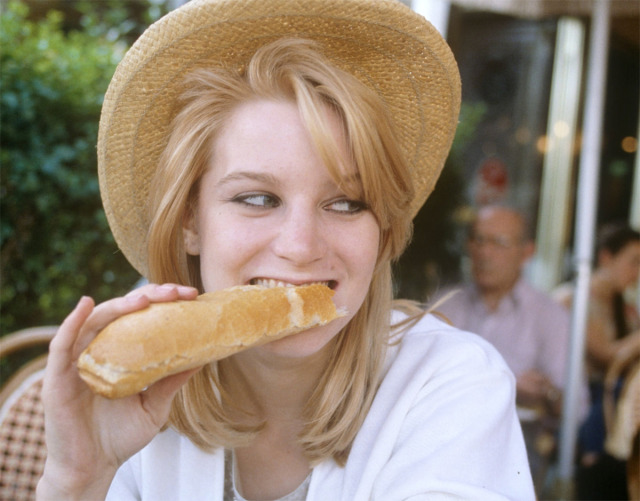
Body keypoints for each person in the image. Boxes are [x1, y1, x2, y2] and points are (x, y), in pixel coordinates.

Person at [36, 1, 535, 499]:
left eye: (345, 203)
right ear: (190, 221)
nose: (300, 246)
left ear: (383, 229)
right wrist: (78, 480)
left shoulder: (453, 387)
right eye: (257, 199)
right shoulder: (137, 398)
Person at [434, 205, 582, 492]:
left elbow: (576, 408)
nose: (484, 253)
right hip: (444, 437)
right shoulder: (444, 304)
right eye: (478, 240)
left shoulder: (550, 317)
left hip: (517, 448)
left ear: (527, 252)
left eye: (499, 243)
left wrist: (548, 393)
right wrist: (511, 381)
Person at [554, 222, 640, 500]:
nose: (636, 273)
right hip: (580, 410)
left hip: (613, 411)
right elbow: (604, 355)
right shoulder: (573, 299)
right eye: (634, 262)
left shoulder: (624, 307)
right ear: (606, 257)